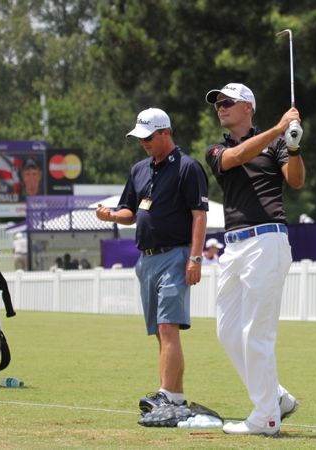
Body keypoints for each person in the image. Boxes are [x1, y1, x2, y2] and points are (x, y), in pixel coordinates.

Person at [204, 82, 303, 436]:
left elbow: (295, 180)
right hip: (233, 246)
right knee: (228, 331)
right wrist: (278, 129)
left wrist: (293, 145)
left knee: (255, 333)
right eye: (218, 103)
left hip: (267, 240)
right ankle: (276, 398)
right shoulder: (216, 150)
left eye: (228, 102)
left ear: (248, 107)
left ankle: (266, 418)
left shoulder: (277, 144)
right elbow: (236, 158)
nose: (221, 107)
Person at [96, 107, 208, 414]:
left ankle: (166, 394)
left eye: (148, 137)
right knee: (160, 331)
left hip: (176, 256)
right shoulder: (139, 170)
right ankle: (175, 395)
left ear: (166, 132)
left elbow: (199, 216)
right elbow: (130, 212)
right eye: (140, 137)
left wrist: (195, 258)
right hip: (146, 260)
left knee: (168, 327)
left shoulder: (188, 167)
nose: (143, 142)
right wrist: (110, 216)